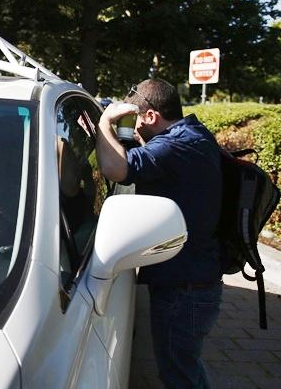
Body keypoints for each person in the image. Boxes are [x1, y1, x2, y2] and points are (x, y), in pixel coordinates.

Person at [95, 78, 223, 388]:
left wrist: (104, 123)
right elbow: (149, 160)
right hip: (192, 282)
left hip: (184, 290)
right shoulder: (191, 135)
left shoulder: (178, 144)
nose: (133, 128)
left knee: (179, 375)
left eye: (135, 120)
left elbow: (117, 170)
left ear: (151, 116)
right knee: (185, 369)